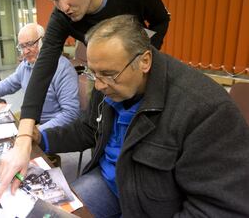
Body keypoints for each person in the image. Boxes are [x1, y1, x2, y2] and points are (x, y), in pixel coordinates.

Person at [0, 0, 170, 202]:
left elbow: (160, 19)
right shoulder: (62, 17)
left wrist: (141, 59)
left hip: (138, 72)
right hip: (105, 77)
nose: (63, 6)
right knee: (100, 124)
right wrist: (24, 137)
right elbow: (42, 70)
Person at [37, 15, 249, 217]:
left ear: (144, 61)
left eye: (109, 75)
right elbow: (88, 128)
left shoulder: (205, 109)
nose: (99, 85)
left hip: (155, 207)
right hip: (110, 183)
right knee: (49, 213)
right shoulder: (107, 78)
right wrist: (40, 138)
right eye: (93, 73)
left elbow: (217, 207)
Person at [0, 23, 80, 132]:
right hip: (31, 118)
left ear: (43, 42)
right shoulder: (26, 64)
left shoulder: (62, 68)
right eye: (22, 46)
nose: (26, 51)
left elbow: (71, 114)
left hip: (49, 125)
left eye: (30, 44)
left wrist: (37, 131)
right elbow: (10, 83)